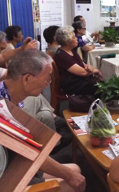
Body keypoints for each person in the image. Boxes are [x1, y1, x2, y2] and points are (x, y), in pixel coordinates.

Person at [0, 49, 85, 192]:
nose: (48, 83)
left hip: (13, 163)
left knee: (75, 169)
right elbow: (23, 152)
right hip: (6, 176)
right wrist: (67, 175)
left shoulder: (9, 98)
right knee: (71, 181)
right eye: (47, 78)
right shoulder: (4, 112)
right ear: (26, 79)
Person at [54, 26, 101, 95]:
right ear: (67, 41)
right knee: (102, 87)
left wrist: (88, 66)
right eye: (74, 37)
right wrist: (96, 71)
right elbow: (83, 73)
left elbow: (82, 64)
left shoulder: (71, 51)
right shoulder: (62, 56)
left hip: (79, 80)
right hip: (73, 85)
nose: (77, 39)